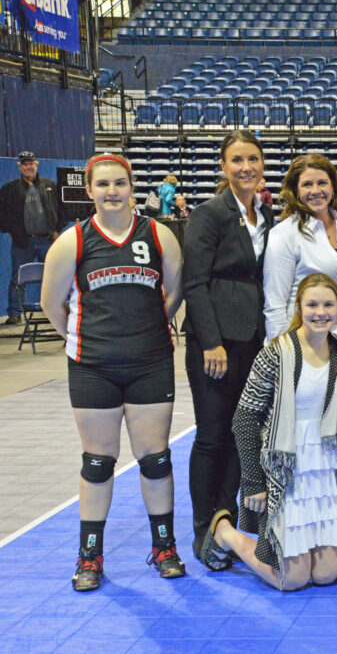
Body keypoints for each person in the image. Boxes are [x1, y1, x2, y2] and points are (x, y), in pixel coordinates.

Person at [39, 153, 184, 591]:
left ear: (132, 185)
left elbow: (174, 293)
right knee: (99, 462)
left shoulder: (159, 235)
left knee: (155, 459)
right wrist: (81, 339)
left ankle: (164, 547)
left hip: (150, 362)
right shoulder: (73, 241)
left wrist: (150, 331)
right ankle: (89, 558)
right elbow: (51, 303)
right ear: (89, 190)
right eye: (103, 184)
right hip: (93, 367)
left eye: (120, 183)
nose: (112, 191)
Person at [200, 273, 337, 589]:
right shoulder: (275, 353)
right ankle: (225, 532)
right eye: (312, 304)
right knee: (292, 580)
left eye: (328, 304)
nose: (320, 312)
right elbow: (244, 417)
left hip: (326, 468)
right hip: (285, 471)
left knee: (327, 575)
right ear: (299, 307)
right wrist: (253, 482)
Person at [183, 130, 276, 568]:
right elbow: (195, 283)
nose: (246, 167)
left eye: (253, 159)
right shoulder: (208, 214)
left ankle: (226, 524)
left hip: (253, 344)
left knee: (242, 438)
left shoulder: (266, 216)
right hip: (216, 346)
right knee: (212, 435)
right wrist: (211, 341)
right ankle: (205, 530)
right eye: (237, 160)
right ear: (224, 166)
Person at [264, 154, 337, 349]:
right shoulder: (283, 234)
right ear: (296, 191)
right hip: (307, 343)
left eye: (322, 183)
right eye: (307, 184)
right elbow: (275, 304)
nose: (316, 191)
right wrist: (278, 351)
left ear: (333, 186)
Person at [0, 151, 61, 325]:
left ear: (37, 164)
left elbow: (62, 209)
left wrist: (56, 229)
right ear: (19, 166)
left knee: (55, 276)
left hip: (47, 240)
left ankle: (56, 311)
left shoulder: (50, 185)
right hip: (23, 242)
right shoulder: (9, 189)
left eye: (30, 163)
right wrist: (13, 231)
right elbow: (2, 214)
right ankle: (15, 313)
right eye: (24, 164)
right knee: (18, 278)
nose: (28, 166)